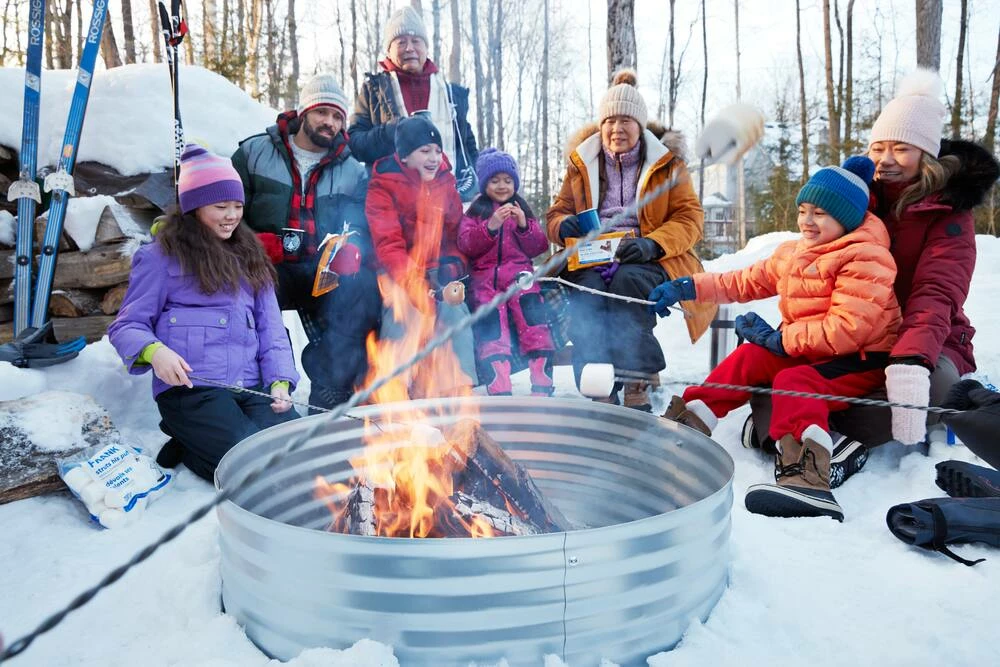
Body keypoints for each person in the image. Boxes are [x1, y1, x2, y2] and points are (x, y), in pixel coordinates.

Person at [747, 70, 1000, 452]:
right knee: (768, 361)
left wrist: (911, 359)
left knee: (931, 386)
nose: (885, 160)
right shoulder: (857, 199)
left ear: (927, 154)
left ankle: (825, 432)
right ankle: (796, 430)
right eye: (878, 147)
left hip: (929, 333)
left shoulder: (950, 214)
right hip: (853, 327)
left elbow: (936, 292)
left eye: (901, 148)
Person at [651, 157, 901, 521]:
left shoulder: (866, 257)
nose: (807, 221)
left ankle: (809, 478)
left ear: (845, 218)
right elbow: (743, 281)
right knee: (749, 358)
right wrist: (688, 286)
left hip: (861, 360)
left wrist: (780, 341)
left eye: (819, 213)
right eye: (803, 210)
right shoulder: (795, 252)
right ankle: (685, 430)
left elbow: (848, 329)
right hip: (811, 350)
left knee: (792, 380)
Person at [108, 145, 299, 482]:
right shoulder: (160, 258)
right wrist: (155, 353)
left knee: (297, 453)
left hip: (251, 387)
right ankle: (194, 445)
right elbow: (128, 324)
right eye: (220, 206)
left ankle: (196, 442)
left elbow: (271, 328)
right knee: (251, 466)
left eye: (238, 206)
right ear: (194, 207)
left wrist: (280, 382)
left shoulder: (251, 257)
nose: (231, 216)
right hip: (192, 391)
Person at [545, 69, 716, 411]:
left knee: (628, 283)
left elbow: (689, 218)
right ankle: (597, 381)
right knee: (587, 293)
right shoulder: (582, 164)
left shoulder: (668, 166)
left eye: (626, 121)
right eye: (610, 121)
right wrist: (564, 226)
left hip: (648, 256)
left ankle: (636, 377)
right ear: (601, 125)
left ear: (640, 126)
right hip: (592, 254)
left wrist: (653, 243)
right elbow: (556, 214)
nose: (617, 129)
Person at [232, 73, 381, 411]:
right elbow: (226, 213)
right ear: (304, 112)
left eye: (338, 117)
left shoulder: (352, 170)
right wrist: (254, 244)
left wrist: (351, 250)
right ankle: (257, 391)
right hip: (265, 267)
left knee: (362, 293)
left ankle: (331, 389)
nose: (329, 122)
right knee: (240, 298)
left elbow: (359, 223)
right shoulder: (254, 153)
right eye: (322, 113)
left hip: (320, 270)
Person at [365, 115, 477, 392]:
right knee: (402, 312)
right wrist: (411, 282)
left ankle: (461, 390)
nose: (434, 157)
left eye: (437, 150)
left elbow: (454, 234)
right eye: (425, 150)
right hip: (396, 270)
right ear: (404, 156)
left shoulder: (445, 183)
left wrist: (454, 264)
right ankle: (396, 389)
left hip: (437, 268)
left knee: (455, 312)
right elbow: (388, 243)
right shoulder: (382, 186)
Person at [348, 6, 479, 200]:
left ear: (426, 47)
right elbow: (356, 144)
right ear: (389, 50)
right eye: (401, 42)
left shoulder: (451, 94)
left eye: (416, 41)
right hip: (392, 204)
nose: (410, 48)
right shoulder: (374, 91)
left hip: (450, 201)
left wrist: (480, 188)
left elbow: (468, 149)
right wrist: (393, 131)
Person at [458, 148, 555, 396]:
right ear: (484, 184)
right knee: (491, 319)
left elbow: (539, 246)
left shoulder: (522, 210)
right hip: (485, 279)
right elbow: (466, 244)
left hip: (519, 275)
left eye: (508, 180)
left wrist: (523, 225)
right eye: (495, 180)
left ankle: (541, 374)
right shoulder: (475, 213)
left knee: (531, 309)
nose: (502, 186)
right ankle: (498, 379)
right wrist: (490, 227)